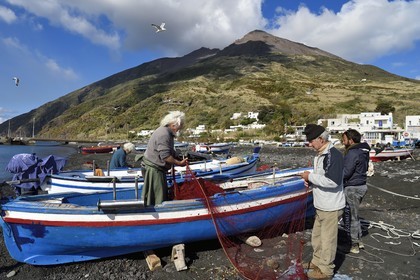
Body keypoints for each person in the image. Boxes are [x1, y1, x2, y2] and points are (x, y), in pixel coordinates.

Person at [300, 124, 345, 279]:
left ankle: (326, 271)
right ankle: (317, 262)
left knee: (328, 241)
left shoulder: (334, 155)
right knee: (317, 237)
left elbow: (333, 181)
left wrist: (309, 177)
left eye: (311, 141)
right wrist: (312, 181)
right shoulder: (320, 154)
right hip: (321, 205)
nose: (309, 144)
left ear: (321, 138)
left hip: (331, 206)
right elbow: (322, 177)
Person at [141, 111, 188, 206]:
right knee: (158, 197)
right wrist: (179, 163)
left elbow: (168, 150)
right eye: (181, 125)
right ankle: (157, 214)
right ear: (174, 124)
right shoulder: (164, 134)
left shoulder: (167, 132)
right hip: (154, 169)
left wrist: (176, 157)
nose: (181, 128)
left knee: (158, 194)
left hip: (157, 168)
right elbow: (165, 156)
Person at [341, 129, 371, 254]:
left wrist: (330, 177)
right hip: (361, 186)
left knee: (351, 216)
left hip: (353, 188)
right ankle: (358, 240)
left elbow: (346, 172)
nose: (342, 142)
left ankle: (354, 245)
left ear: (351, 140)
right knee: (354, 215)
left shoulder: (352, 153)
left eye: (344, 139)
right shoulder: (364, 151)